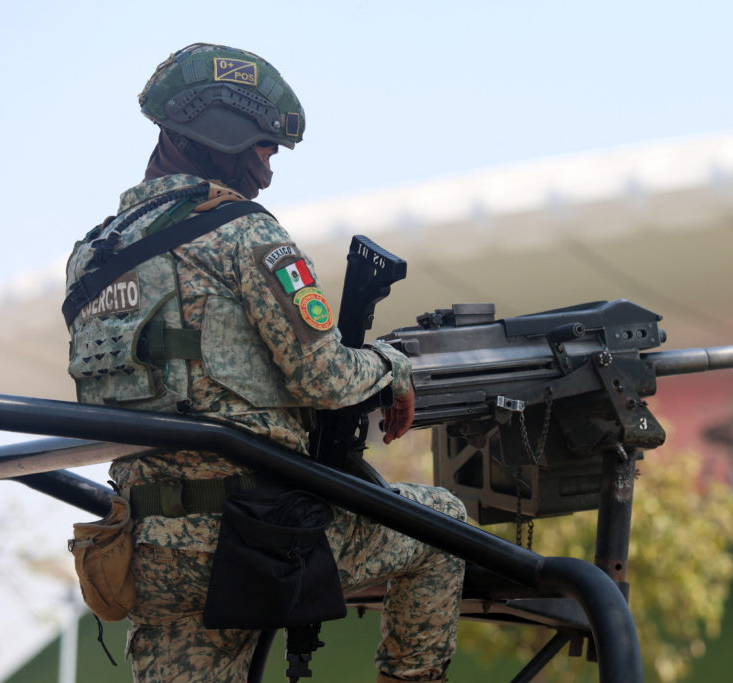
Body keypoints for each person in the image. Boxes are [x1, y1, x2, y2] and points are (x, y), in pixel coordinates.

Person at [63, 43, 466, 682]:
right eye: (264, 149)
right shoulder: (245, 233)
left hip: (141, 550)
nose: (269, 172)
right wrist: (390, 366)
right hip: (246, 539)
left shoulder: (90, 257)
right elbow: (325, 378)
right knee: (444, 524)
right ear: (221, 130)